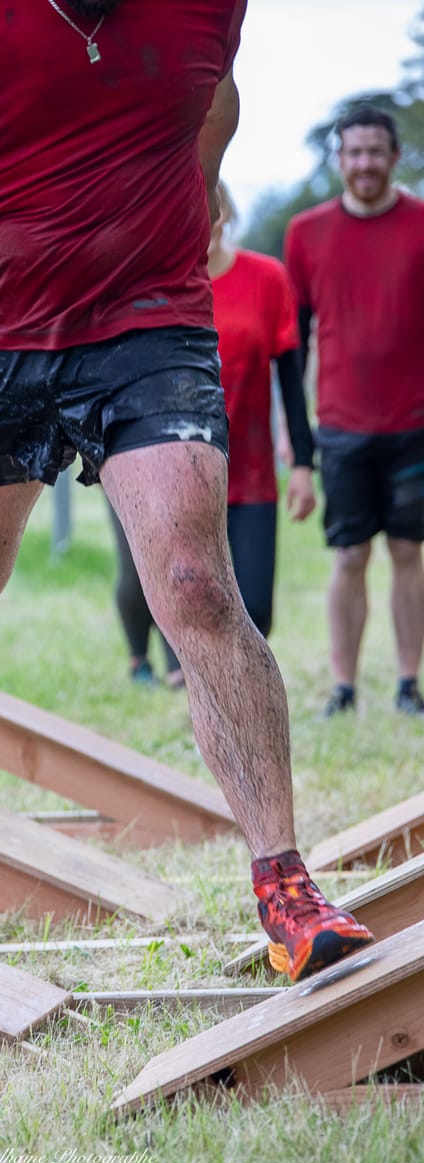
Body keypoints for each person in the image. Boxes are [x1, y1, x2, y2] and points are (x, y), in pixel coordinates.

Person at [0, 0, 372, 983]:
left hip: (150, 329)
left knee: (193, 582)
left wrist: (200, 183)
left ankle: (283, 879)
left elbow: (212, 87)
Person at [109, 183, 317, 690]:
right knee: (165, 583)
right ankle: (174, 673)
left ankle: (218, 677)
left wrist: (305, 464)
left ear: (222, 214)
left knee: (256, 604)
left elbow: (290, 376)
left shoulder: (267, 278)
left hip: (246, 467)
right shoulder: (145, 283)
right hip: (161, 464)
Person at [285, 105, 424, 718]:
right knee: (348, 556)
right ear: (339, 159)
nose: (365, 163)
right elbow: (295, 342)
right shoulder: (306, 234)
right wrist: (301, 445)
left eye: (376, 151)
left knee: (407, 553)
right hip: (340, 425)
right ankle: (344, 688)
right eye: (355, 152)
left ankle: (406, 683)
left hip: (414, 425)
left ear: (395, 157)